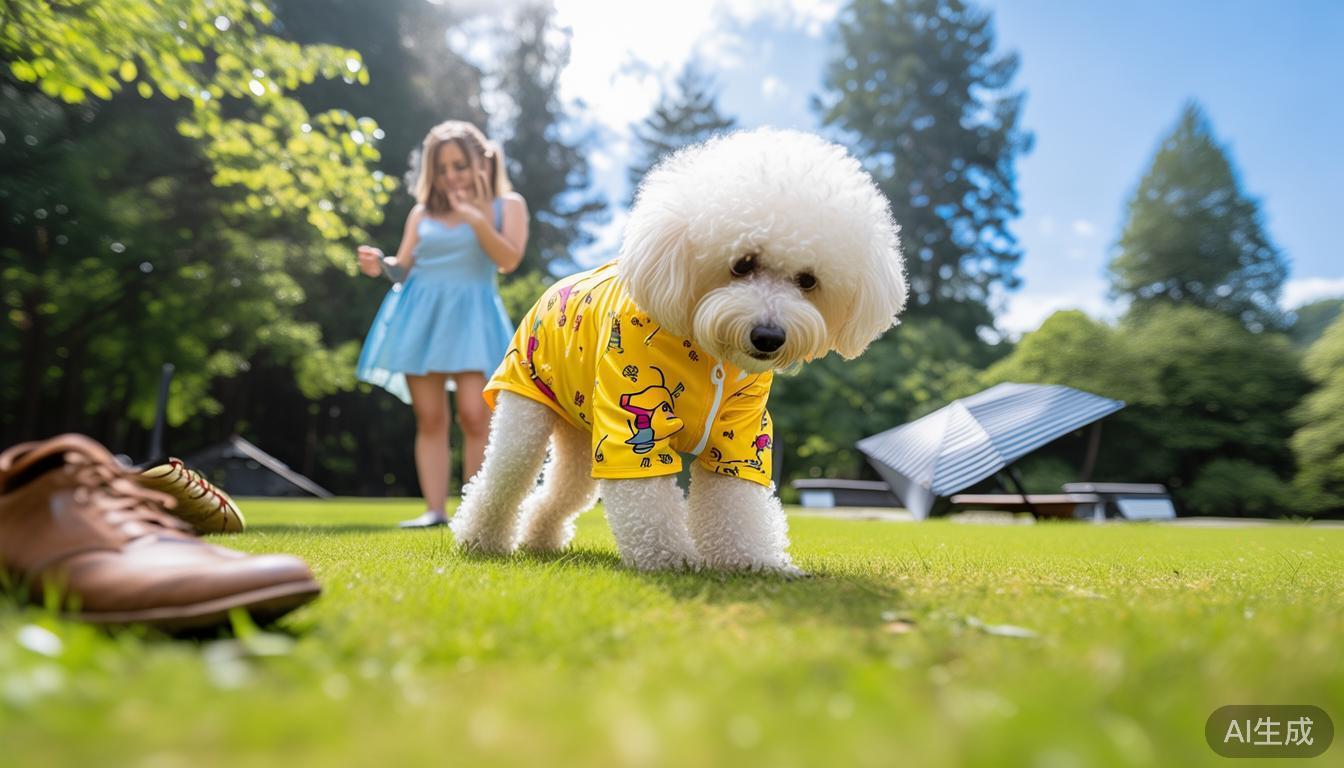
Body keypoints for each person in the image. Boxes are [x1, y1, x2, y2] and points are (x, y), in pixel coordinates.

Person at [355, 121, 529, 528]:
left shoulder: (508, 205)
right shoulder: (422, 213)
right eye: (442, 168)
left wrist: (477, 220)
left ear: (481, 164)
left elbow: (508, 260)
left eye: (459, 165)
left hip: (472, 316)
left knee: (474, 414)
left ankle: (474, 512)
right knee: (430, 417)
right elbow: (403, 268)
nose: (451, 175)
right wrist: (381, 264)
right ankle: (435, 510)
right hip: (420, 315)